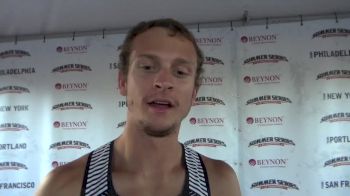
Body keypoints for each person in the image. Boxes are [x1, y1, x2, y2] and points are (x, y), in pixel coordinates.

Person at [36, 18, 241, 196]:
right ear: (123, 82)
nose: (163, 81)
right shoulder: (62, 187)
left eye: (180, 72)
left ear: (194, 94)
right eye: (147, 67)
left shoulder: (219, 183)